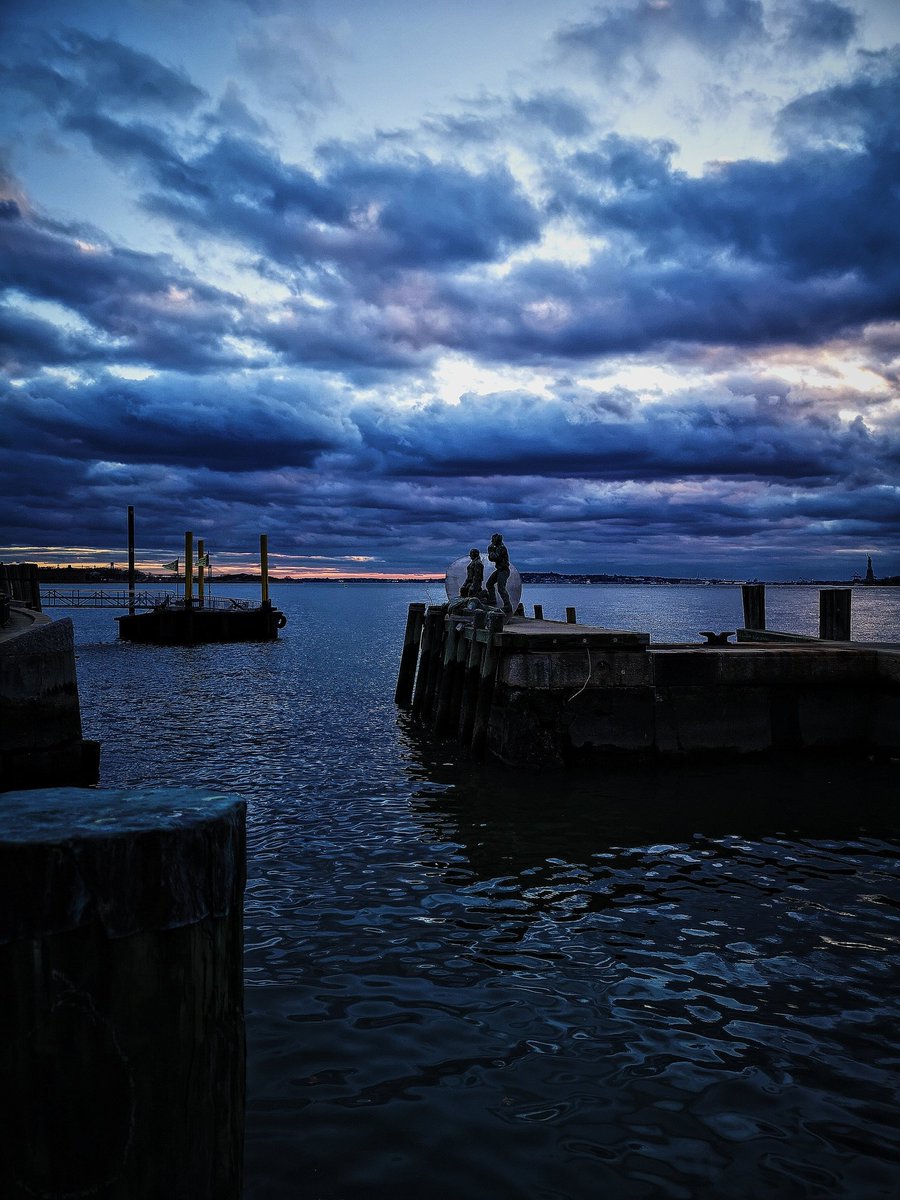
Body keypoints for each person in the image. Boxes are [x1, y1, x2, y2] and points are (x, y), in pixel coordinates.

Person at [486, 532, 512, 614]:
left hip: (504, 570)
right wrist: (491, 551)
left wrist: (490, 550)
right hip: (500, 570)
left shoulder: (501, 548)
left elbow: (495, 557)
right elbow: (492, 558)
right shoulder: (498, 548)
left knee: (501, 588)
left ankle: (508, 605)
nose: (491, 541)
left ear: (496, 540)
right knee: (489, 584)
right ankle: (492, 600)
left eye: (492, 540)